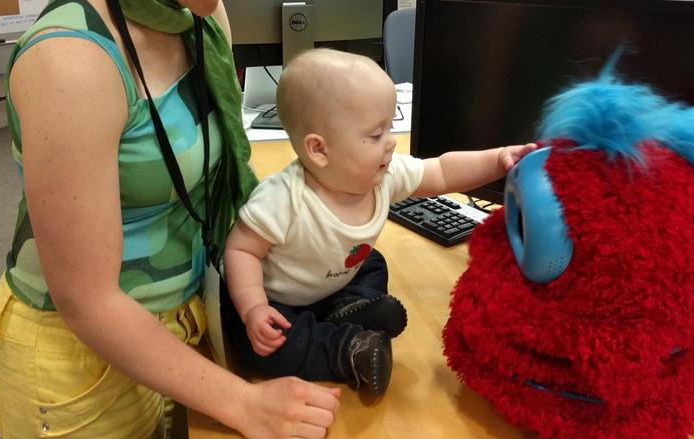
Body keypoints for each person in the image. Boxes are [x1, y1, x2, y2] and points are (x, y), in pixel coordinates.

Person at [0, 0, 341, 439]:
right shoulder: (72, 61)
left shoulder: (199, 12)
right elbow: (88, 299)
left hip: (178, 325)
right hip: (76, 368)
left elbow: (212, 180)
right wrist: (246, 404)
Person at [221, 49, 536, 395]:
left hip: (333, 280)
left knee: (371, 261)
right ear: (319, 150)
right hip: (278, 301)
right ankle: (347, 351)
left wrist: (498, 159)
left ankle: (349, 308)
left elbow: (442, 171)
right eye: (376, 135)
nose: (391, 143)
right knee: (265, 347)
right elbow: (240, 250)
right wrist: (253, 307)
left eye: (389, 128)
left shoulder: (384, 176)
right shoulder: (283, 198)